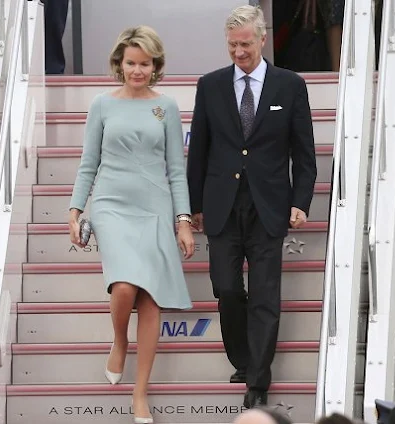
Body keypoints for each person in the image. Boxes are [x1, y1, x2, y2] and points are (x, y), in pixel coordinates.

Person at [187, 4, 317, 409]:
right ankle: (243, 359)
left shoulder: (289, 85)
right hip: (221, 204)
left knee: (264, 294)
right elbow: (200, 152)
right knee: (226, 288)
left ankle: (258, 380)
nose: (239, 52)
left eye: (245, 44)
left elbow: (304, 152)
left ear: (262, 39)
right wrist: (193, 206)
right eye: (232, 45)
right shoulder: (209, 85)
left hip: (270, 205)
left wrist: (301, 201)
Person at [68, 25, 195, 423]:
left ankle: (140, 394)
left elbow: (177, 169)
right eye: (130, 63)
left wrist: (183, 221)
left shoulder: (167, 107)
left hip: (155, 206)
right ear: (119, 64)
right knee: (124, 285)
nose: (137, 70)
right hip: (111, 204)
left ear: (155, 67)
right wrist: (75, 209)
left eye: (144, 64)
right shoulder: (102, 105)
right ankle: (120, 339)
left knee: (151, 297)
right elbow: (89, 162)